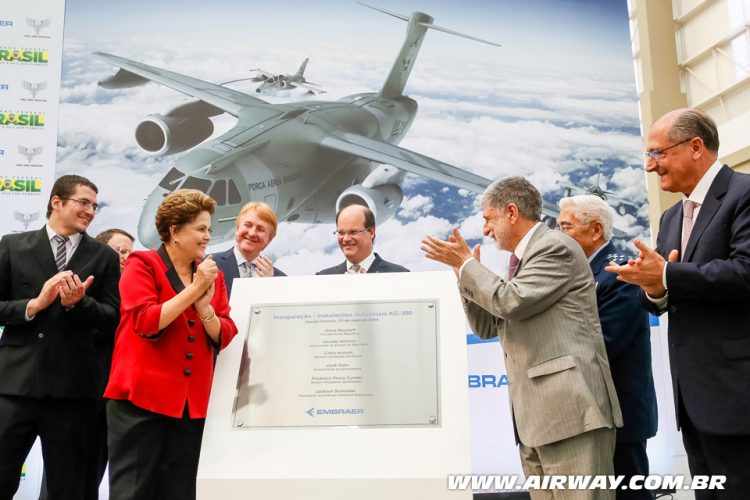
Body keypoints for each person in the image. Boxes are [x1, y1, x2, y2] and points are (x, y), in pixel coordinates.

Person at [422, 176, 621, 500]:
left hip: (571, 414)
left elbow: (510, 301)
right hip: (535, 420)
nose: (486, 230)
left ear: (511, 212)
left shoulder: (554, 247)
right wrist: (464, 276)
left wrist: (468, 264)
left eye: (489, 219)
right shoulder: (526, 259)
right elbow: (488, 326)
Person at [606, 108, 750, 500]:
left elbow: (745, 271)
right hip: (694, 403)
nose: (651, 167)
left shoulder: (744, 193)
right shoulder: (671, 218)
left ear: (696, 147)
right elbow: (661, 300)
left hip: (738, 399)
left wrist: (668, 277)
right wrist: (653, 289)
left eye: (658, 154)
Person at [104, 189, 238, 500]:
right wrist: (197, 290)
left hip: (191, 408)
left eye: (209, 228)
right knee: (133, 492)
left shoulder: (209, 274)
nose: (208, 236)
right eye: (201, 228)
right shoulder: (142, 264)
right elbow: (146, 321)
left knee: (180, 492)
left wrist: (206, 311)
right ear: (175, 231)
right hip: (140, 403)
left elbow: (226, 331)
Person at [0, 175, 120, 500]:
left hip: (75, 392)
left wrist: (78, 304)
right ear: (57, 202)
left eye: (94, 206)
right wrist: (33, 305)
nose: (91, 211)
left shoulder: (104, 257)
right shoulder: (12, 245)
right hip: (15, 386)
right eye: (83, 202)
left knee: (71, 489)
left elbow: (113, 318)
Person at [558, 195, 657, 500]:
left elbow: (603, 343)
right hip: (593, 415)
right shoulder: (582, 272)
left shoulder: (620, 274)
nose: (560, 236)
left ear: (596, 230)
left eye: (566, 227)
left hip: (620, 418)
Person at [212, 201, 285, 296]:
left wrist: (269, 287)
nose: (252, 233)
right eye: (248, 225)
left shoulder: (280, 280)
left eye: (260, 229)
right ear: (237, 228)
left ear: (269, 239)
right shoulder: (211, 264)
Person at [317, 205, 408, 274]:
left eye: (353, 232)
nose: (346, 239)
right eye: (341, 233)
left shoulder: (400, 275)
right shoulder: (322, 279)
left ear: (371, 232)